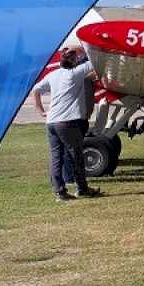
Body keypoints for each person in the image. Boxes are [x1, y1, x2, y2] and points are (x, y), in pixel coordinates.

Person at [31, 48, 102, 202]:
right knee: (76, 156)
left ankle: (60, 192)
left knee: (56, 157)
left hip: (51, 121)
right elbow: (97, 62)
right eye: (78, 58)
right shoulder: (75, 73)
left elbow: (36, 90)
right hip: (67, 122)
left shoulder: (53, 74)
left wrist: (41, 111)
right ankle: (82, 189)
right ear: (74, 61)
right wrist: (85, 50)